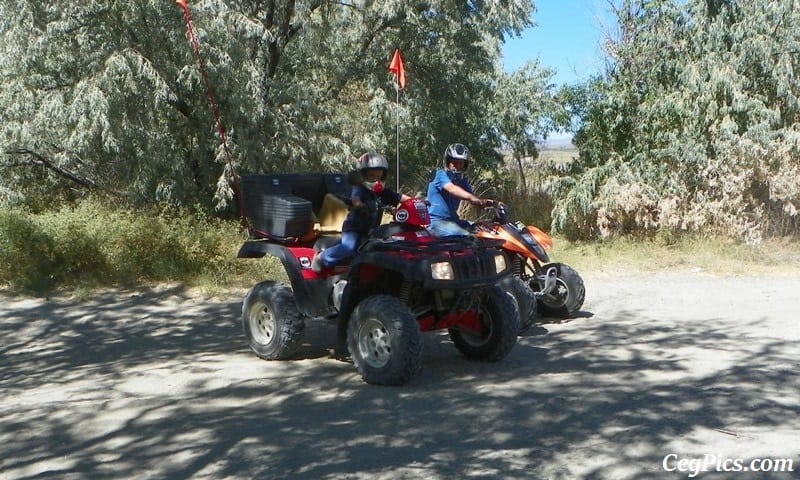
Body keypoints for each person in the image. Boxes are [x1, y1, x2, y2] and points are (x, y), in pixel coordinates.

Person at [312, 152, 412, 272]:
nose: (376, 180)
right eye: (371, 176)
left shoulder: (382, 191)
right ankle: (322, 258)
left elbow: (399, 197)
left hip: (370, 230)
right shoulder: (359, 188)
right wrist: (363, 206)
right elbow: (356, 200)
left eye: (379, 176)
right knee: (349, 247)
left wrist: (417, 201)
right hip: (353, 228)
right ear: (362, 176)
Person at [426, 143, 492, 237]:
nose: (457, 165)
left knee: (485, 230)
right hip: (436, 222)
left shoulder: (461, 179)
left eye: (460, 162)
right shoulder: (440, 175)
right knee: (465, 236)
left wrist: (487, 202)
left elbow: (473, 199)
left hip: (453, 221)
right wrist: (471, 198)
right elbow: (452, 189)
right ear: (447, 161)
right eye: (454, 161)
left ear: (465, 164)